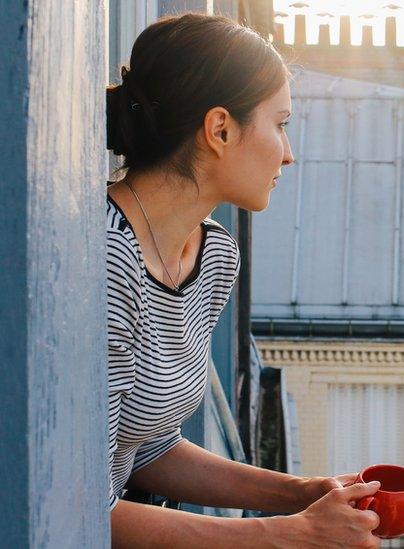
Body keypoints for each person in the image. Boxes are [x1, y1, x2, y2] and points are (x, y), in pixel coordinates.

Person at [105, 13, 381, 547]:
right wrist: (293, 534)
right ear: (220, 129)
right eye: (279, 124)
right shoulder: (109, 257)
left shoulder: (213, 256)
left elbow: (148, 447)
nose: (288, 152)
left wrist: (302, 492)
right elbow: (82, 504)